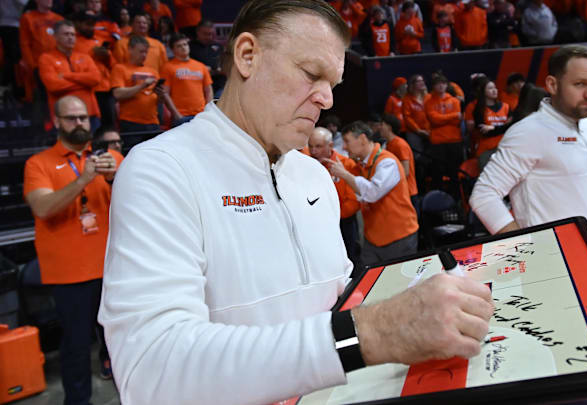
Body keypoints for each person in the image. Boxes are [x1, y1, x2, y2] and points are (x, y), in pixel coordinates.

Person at [98, 2, 494, 404]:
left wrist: (418, 311)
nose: (326, 100)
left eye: (333, 85)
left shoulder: (314, 176)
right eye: (311, 74)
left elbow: (338, 300)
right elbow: (153, 369)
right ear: (247, 56)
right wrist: (376, 331)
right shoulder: (161, 169)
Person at [469, 44, 587, 256]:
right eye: (580, 84)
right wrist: (527, 252)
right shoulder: (528, 132)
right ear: (552, 84)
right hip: (556, 268)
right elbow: (483, 195)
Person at [23, 95, 122, 405]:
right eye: (71, 118)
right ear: (56, 122)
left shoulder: (111, 159)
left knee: (122, 343)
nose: (79, 123)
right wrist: (85, 178)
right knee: (77, 347)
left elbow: (140, 204)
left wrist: (114, 177)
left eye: (83, 117)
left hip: (113, 268)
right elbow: (42, 207)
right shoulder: (38, 163)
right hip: (70, 274)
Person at [329, 121, 419, 264]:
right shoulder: (361, 163)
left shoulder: (387, 162)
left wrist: (345, 175)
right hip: (373, 238)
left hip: (398, 237)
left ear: (363, 139)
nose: (344, 147)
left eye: (347, 141)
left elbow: (372, 193)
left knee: (400, 284)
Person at [308, 126, 361, 269]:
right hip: (316, 223)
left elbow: (355, 200)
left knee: (350, 258)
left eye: (318, 146)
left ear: (330, 145)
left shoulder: (346, 164)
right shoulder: (306, 164)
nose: (314, 151)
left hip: (343, 222)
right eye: (311, 146)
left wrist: (333, 217)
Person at [38, 20, 102, 130]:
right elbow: (53, 85)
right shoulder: (46, 58)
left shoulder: (85, 57)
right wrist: (84, 83)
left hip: (89, 114)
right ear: (56, 36)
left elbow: (95, 79)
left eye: (73, 34)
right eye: (66, 34)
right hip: (64, 116)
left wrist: (67, 76)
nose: (70, 37)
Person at [110, 34, 164, 133]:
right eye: (141, 51)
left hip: (153, 121)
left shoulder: (153, 71)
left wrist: (161, 94)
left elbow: (158, 100)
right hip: (130, 122)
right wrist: (143, 85)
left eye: (146, 52)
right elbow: (117, 94)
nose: (144, 55)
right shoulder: (120, 69)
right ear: (130, 49)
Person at [160, 33, 213, 126]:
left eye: (185, 44)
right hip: (181, 115)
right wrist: (176, 114)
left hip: (201, 115)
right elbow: (165, 93)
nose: (183, 47)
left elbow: (208, 90)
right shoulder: (167, 67)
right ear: (173, 50)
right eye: (179, 46)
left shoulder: (200, 66)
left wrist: (207, 111)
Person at [425, 73, 463, 192]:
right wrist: (452, 116)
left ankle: (456, 198)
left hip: (454, 140)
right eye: (437, 84)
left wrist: (443, 118)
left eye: (443, 84)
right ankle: (438, 198)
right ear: (433, 87)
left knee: (454, 171)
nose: (441, 86)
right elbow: (433, 120)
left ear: (446, 85)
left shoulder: (455, 101)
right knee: (437, 171)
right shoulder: (429, 102)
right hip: (437, 141)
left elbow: (458, 120)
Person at [18, 0, 63, 100]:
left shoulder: (59, 18)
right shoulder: (27, 18)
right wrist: (32, 66)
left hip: (58, 64)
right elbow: (25, 44)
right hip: (38, 65)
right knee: (43, 98)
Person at [465, 75, 511, 157]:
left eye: (495, 88)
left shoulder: (506, 106)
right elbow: (485, 132)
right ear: (482, 91)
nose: (494, 90)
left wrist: (492, 127)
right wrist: (503, 126)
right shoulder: (478, 108)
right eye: (490, 88)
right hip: (486, 148)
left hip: (505, 147)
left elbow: (511, 127)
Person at [380, 113, 418, 208]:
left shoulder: (400, 144)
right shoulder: (387, 145)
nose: (379, 128)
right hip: (398, 191)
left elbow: (405, 171)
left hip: (407, 191)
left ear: (389, 127)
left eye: (382, 125)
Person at [190, 20, 226, 97]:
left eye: (211, 34)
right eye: (205, 34)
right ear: (198, 32)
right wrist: (202, 69)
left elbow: (226, 65)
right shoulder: (190, 47)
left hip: (219, 85)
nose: (209, 37)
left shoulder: (219, 47)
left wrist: (221, 69)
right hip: (199, 86)